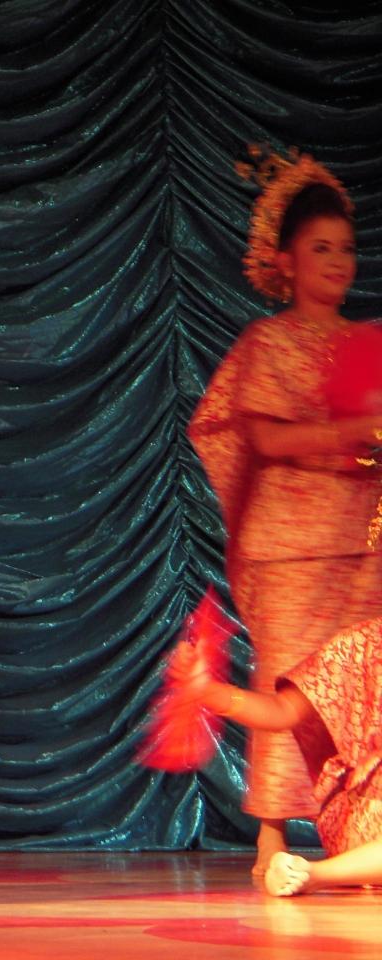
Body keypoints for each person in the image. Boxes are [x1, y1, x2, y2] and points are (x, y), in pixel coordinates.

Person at [188, 147, 382, 873]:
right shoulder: (267, 342)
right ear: (285, 262)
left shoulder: (368, 343)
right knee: (290, 681)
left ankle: (359, 827)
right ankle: (271, 834)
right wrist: (352, 431)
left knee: (359, 692)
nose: (337, 261)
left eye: (346, 248)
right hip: (290, 548)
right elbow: (264, 438)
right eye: (320, 248)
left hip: (362, 541)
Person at [167, 616, 382, 897]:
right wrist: (207, 691)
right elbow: (282, 711)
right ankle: (313, 874)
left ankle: (313, 874)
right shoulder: (366, 640)